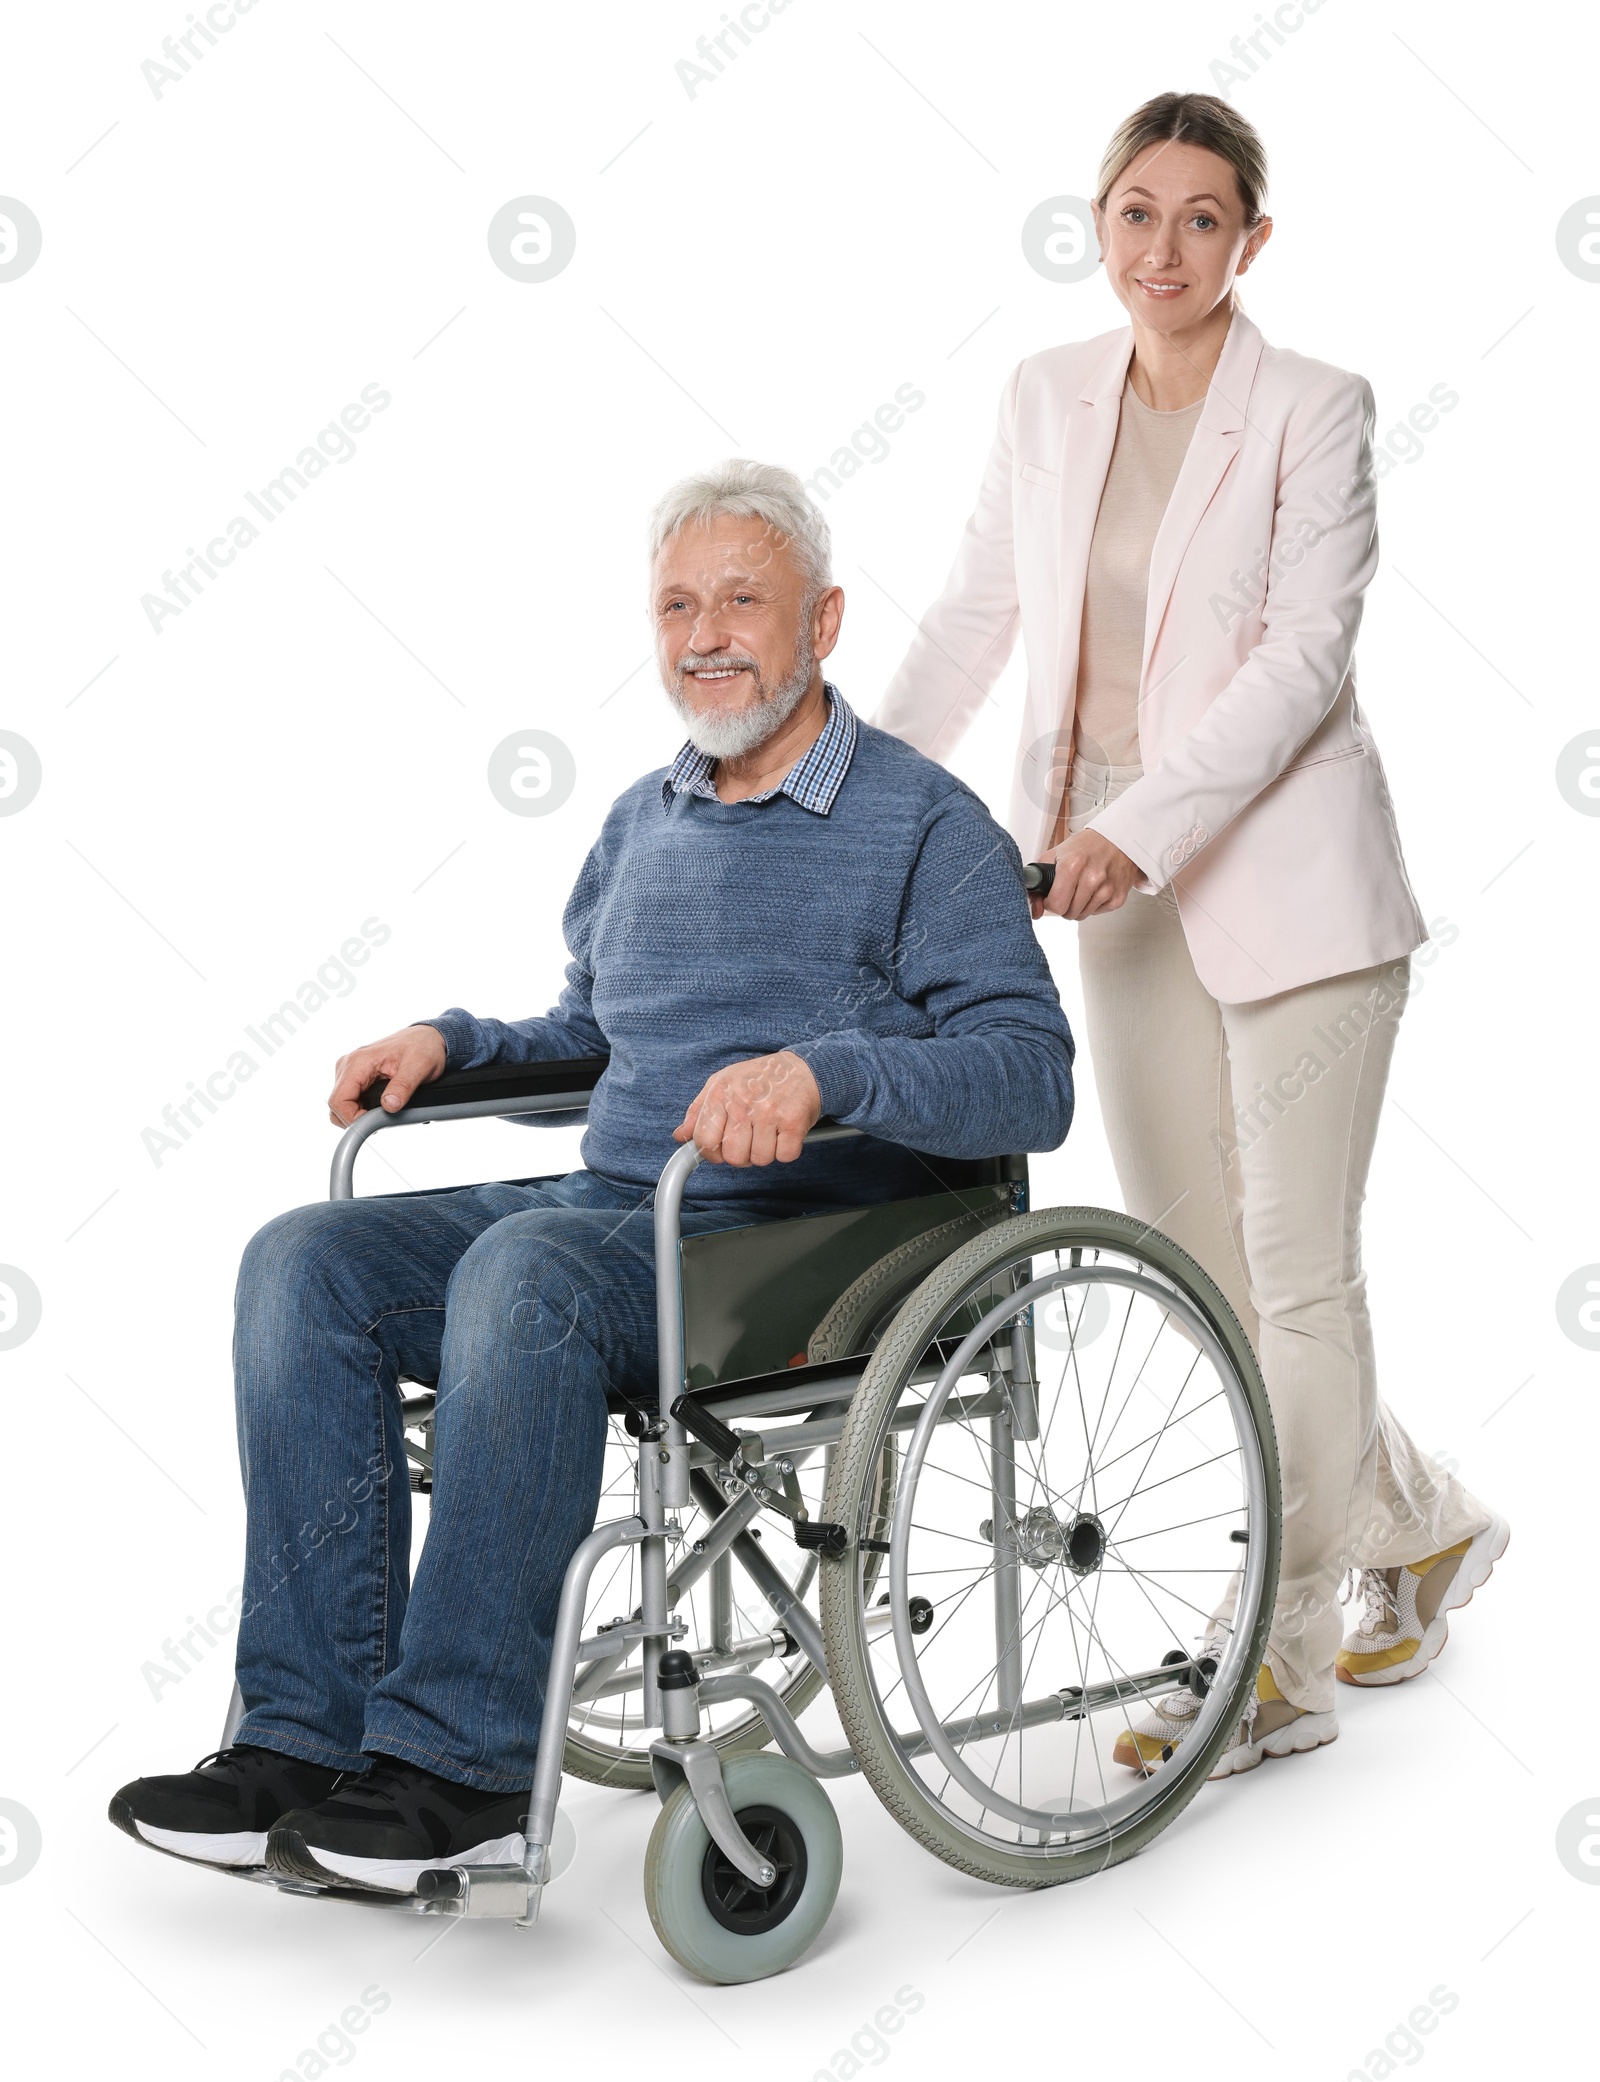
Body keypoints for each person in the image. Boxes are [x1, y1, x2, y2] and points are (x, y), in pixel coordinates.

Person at [109, 460, 1075, 1890]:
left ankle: (464, 1768)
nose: (704, 633)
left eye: (741, 598)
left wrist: (827, 1072)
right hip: (613, 1211)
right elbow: (595, 1037)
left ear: (824, 618)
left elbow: (1029, 1072)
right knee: (301, 1257)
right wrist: (454, 1041)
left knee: (525, 1274)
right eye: (677, 603)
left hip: (802, 1236)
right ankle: (303, 1737)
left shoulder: (926, 827)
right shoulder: (644, 818)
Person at [875, 92, 1506, 1776]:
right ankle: (1421, 1519)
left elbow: (1302, 666)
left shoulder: (1316, 408)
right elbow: (974, 617)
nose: (1165, 249)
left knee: (1300, 1277)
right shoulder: (1043, 397)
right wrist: (846, 800)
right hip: (1101, 886)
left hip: (1288, 891)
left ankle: (1275, 1656)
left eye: (1203, 218)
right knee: (1207, 1278)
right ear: (1099, 222)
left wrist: (1133, 831)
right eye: (1135, 213)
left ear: (1254, 238)